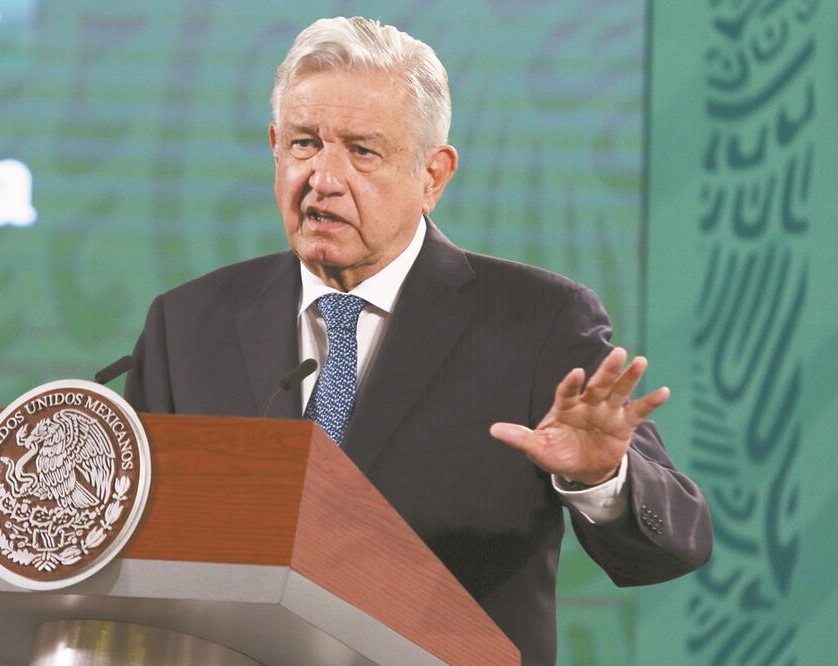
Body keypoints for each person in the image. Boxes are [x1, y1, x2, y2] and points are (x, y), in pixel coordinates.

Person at [126, 16, 712, 665]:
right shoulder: (188, 323)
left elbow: (674, 544)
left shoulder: (538, 321)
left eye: (362, 151)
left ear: (433, 175)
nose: (322, 178)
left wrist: (600, 476)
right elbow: (130, 546)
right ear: (274, 147)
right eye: (303, 144)